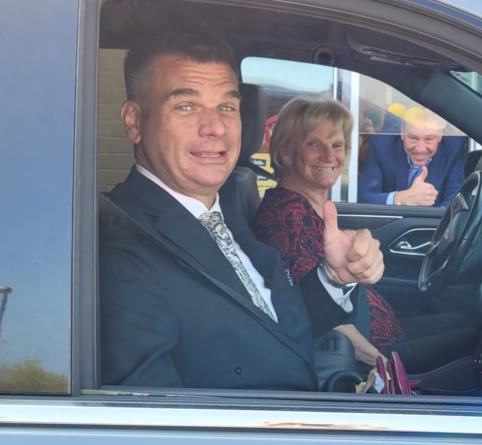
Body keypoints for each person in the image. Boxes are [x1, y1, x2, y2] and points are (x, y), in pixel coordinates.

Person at [99, 30, 384, 391]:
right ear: (135, 122)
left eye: (227, 107)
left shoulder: (225, 207)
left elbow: (269, 327)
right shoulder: (122, 245)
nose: (215, 127)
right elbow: (154, 423)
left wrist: (333, 278)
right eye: (186, 106)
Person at [254, 96, 478, 374]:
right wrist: (382, 367)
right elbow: (317, 313)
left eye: (337, 145)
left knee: (468, 320)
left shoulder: (309, 206)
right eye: (314, 144)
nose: (329, 156)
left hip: (381, 330)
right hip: (372, 352)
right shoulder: (287, 216)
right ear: (286, 152)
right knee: (477, 339)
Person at [358, 106, 466, 208]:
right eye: (413, 138)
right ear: (402, 132)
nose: (420, 149)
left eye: (429, 139)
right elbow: (365, 196)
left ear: (440, 136)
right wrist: (400, 198)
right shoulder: (381, 147)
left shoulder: (453, 149)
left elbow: (455, 198)